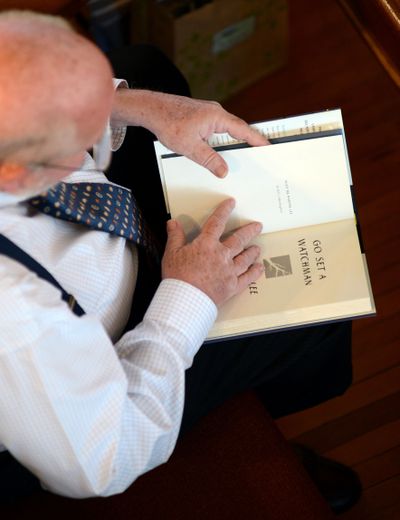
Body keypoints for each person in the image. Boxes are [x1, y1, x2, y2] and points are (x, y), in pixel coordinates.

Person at [0, 10, 360, 512]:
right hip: (100, 369)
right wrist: (188, 295)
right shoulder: (14, 312)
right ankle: (248, 428)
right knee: (318, 306)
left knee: (146, 67)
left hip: (82, 244)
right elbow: (104, 458)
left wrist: (135, 106)